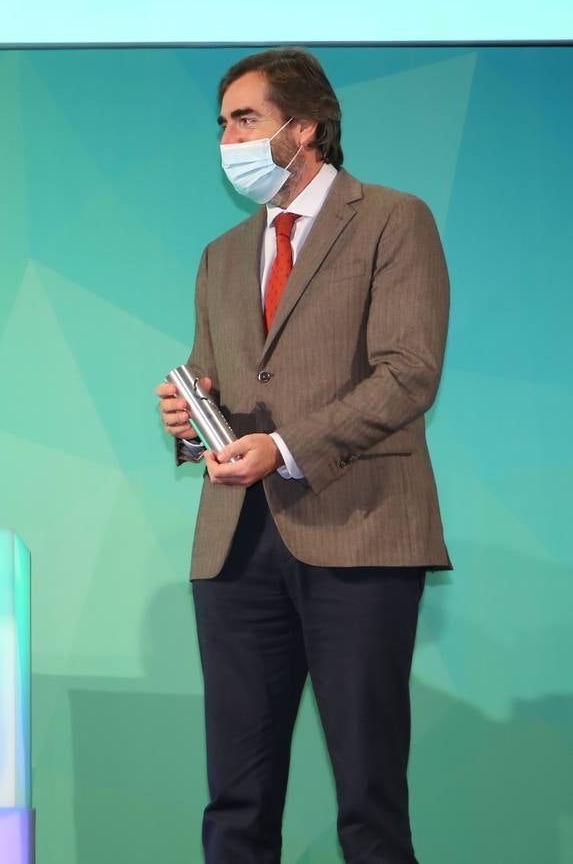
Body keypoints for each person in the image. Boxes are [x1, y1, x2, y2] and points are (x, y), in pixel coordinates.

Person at [155, 48, 450, 863]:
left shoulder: (393, 218)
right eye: (221, 123)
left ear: (304, 127)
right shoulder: (220, 254)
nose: (228, 138)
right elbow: (221, 387)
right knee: (237, 800)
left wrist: (284, 448)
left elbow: (408, 372)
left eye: (244, 120)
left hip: (358, 530)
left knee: (368, 797)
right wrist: (189, 423)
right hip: (235, 542)